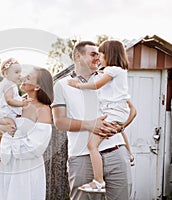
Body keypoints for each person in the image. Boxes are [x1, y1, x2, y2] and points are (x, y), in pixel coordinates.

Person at [52, 41, 136, 200]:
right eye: (93, 54)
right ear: (78, 56)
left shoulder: (108, 77)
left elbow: (132, 110)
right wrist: (90, 125)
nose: (98, 58)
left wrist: (119, 127)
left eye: (99, 54)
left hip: (116, 152)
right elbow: (60, 122)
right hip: (82, 156)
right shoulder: (62, 85)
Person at [0, 66, 54, 200]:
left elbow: (36, 147)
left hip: (26, 168)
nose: (23, 78)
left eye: (28, 78)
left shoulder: (43, 110)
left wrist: (9, 138)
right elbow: (0, 125)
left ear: (37, 86)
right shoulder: (17, 104)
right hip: (8, 165)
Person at [0, 58, 30, 161]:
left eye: (20, 72)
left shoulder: (11, 85)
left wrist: (21, 99)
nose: (19, 75)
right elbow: (9, 100)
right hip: (5, 114)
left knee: (3, 132)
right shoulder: (8, 85)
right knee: (11, 128)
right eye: (16, 72)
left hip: (8, 114)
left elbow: (14, 98)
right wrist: (22, 104)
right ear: (6, 73)